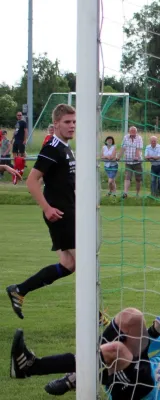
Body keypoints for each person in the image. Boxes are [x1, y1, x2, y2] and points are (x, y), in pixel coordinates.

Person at [10, 302, 160, 399]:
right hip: (137, 373)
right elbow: (142, 347)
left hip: (149, 393)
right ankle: (79, 374)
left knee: (117, 351)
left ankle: (38, 368)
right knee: (132, 316)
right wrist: (155, 330)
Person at [6, 105, 78, 320]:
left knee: (68, 265)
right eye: (67, 122)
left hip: (68, 212)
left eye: (74, 122)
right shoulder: (52, 148)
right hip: (61, 214)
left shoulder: (66, 147)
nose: (72, 125)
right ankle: (98, 315)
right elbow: (31, 180)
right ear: (56, 124)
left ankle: (19, 290)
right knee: (86, 265)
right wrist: (47, 208)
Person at [118, 126, 144, 199]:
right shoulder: (125, 137)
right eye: (131, 131)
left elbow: (138, 148)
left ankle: (137, 194)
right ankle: (125, 193)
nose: (133, 132)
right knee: (127, 177)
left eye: (134, 131)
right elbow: (123, 148)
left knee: (138, 179)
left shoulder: (139, 138)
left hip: (137, 162)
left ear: (136, 132)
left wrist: (136, 157)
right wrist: (118, 157)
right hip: (128, 162)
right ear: (129, 131)